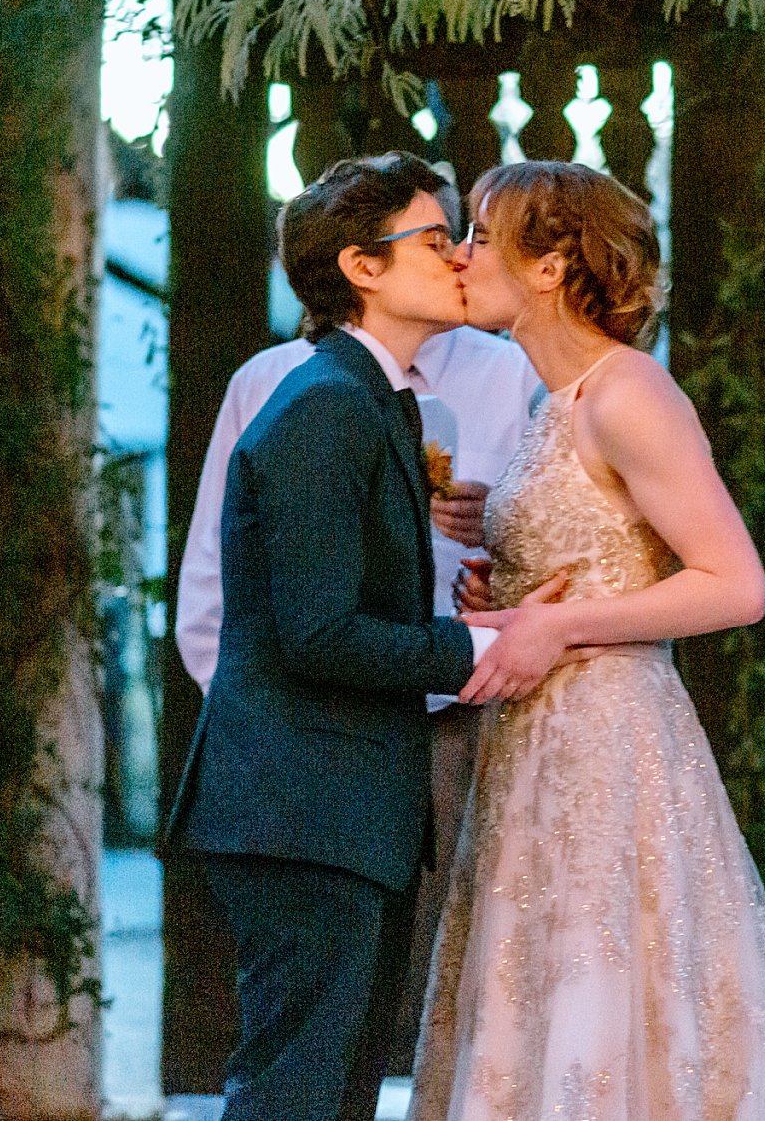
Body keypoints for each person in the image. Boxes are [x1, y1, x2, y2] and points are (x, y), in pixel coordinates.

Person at [409, 160, 765, 1120]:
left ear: (553, 264)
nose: (462, 255)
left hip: (611, 745)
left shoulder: (629, 392)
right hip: (530, 747)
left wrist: (558, 622)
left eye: (481, 233)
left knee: (612, 1000)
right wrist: (505, 586)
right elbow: (598, 543)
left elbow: (736, 584)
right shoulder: (544, 408)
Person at [161, 152, 572, 1121]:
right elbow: (317, 634)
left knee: (335, 1096)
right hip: (304, 812)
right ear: (360, 267)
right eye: (435, 240)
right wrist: (480, 649)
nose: (460, 257)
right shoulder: (321, 407)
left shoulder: (363, 400)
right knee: (293, 1096)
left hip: (343, 813)